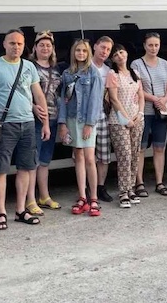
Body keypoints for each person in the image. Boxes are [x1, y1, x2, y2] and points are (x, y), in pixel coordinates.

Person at [0, 29, 50, 230]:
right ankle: (1, 212)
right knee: (1, 169)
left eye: (20, 44)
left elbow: (38, 95)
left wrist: (46, 123)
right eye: (12, 43)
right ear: (4, 44)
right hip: (5, 125)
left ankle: (21, 210)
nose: (16, 47)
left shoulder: (29, 66)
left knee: (26, 168)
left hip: (28, 123)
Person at [57, 39, 106, 216]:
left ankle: (93, 197)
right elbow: (63, 100)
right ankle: (82, 196)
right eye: (78, 51)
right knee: (77, 156)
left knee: (89, 158)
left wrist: (89, 124)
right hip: (71, 119)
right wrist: (62, 123)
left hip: (87, 120)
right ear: (73, 53)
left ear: (88, 53)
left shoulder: (93, 73)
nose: (81, 54)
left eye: (84, 51)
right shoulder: (67, 74)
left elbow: (95, 100)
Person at [131, 32, 167, 197]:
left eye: (156, 45)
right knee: (140, 148)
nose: (153, 48)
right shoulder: (137, 64)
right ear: (144, 46)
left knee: (159, 147)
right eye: (150, 45)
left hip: (161, 111)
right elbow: (137, 88)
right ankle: (139, 183)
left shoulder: (164, 64)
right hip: (144, 111)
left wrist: (163, 99)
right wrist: (155, 99)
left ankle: (159, 182)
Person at [107, 44, 146, 208]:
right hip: (119, 121)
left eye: (121, 52)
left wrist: (140, 114)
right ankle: (123, 191)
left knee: (134, 155)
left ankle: (131, 189)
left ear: (127, 53)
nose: (119, 56)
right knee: (124, 155)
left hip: (137, 120)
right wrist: (126, 119)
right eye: (115, 54)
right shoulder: (112, 74)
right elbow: (114, 99)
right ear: (113, 59)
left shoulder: (135, 73)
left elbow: (141, 95)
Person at [29, 31, 63, 212]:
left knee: (44, 161)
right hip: (35, 118)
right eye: (41, 45)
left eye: (48, 45)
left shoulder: (57, 68)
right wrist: (32, 106)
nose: (45, 48)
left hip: (53, 117)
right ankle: (30, 200)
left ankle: (44, 196)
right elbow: (22, 91)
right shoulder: (29, 66)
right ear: (35, 47)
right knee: (32, 161)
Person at [91, 36, 115, 203]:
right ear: (95, 46)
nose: (105, 51)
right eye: (102, 47)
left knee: (104, 154)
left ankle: (101, 186)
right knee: (87, 155)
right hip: (87, 118)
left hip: (103, 116)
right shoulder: (85, 67)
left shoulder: (108, 71)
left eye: (108, 49)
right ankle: (89, 188)